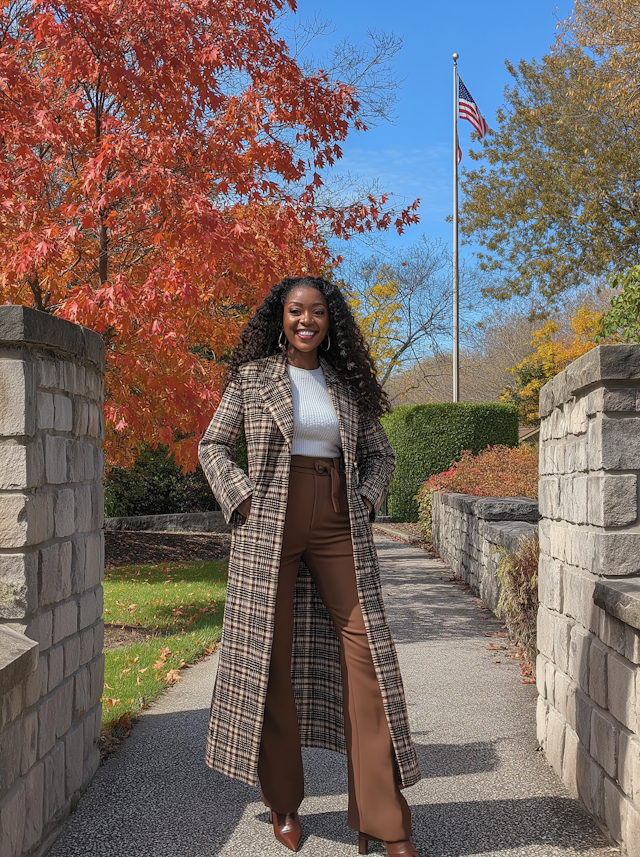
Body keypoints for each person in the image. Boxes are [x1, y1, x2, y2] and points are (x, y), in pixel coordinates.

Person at [199, 275, 421, 856]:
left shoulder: (346, 384)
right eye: (296, 311)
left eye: (317, 312)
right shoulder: (252, 379)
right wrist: (241, 498)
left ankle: (383, 819)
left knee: (366, 654)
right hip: (268, 519)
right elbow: (212, 445)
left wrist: (367, 499)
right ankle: (283, 801)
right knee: (267, 653)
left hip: (337, 519)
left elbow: (381, 454)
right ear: (281, 318)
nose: (306, 321)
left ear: (330, 320)